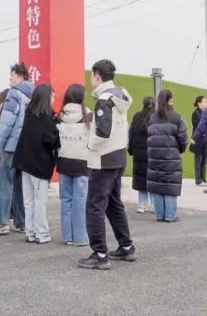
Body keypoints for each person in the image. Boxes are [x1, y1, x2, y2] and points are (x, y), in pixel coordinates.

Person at [78, 59, 135, 271]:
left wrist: (89, 145)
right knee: (113, 203)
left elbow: (102, 132)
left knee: (94, 206)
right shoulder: (121, 95)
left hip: (103, 158)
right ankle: (126, 246)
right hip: (118, 156)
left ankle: (100, 254)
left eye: (92, 76)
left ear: (98, 76)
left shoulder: (104, 99)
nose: (90, 80)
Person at [0, 63, 31, 236]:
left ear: (19, 76)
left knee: (3, 181)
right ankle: (21, 222)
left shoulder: (14, 93)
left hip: (11, 145)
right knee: (19, 183)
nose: (10, 78)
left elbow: (7, 121)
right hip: (24, 145)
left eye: (12, 75)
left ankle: (1, 222)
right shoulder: (32, 94)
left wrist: (0, 143)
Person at [12, 83, 60, 244]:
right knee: (40, 201)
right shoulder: (46, 118)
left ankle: (30, 232)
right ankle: (42, 233)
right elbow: (51, 140)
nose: (54, 99)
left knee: (29, 200)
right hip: (39, 164)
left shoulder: (29, 113)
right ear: (47, 97)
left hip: (24, 163)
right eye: (53, 96)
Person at [146, 89, 187, 223]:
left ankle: (160, 215)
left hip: (154, 156)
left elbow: (149, 136)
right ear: (171, 100)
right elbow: (183, 138)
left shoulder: (152, 118)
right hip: (171, 156)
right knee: (170, 184)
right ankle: (170, 216)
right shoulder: (177, 117)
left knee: (157, 184)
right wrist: (179, 150)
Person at [56, 84, 90, 246]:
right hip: (82, 162)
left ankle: (68, 236)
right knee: (80, 200)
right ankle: (80, 237)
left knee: (66, 200)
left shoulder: (59, 116)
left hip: (63, 162)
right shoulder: (88, 115)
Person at [128, 96, 152, 213]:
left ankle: (142, 204)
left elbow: (131, 133)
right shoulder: (157, 117)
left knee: (141, 178)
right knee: (153, 179)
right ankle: (153, 204)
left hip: (139, 153)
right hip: (153, 153)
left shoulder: (137, 116)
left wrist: (131, 149)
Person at [190, 95, 207, 186]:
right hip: (198, 140)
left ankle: (203, 178)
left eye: (206, 102)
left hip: (205, 140)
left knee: (204, 160)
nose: (206, 103)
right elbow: (199, 127)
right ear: (199, 103)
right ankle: (198, 179)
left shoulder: (205, 113)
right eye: (204, 102)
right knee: (198, 160)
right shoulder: (195, 113)